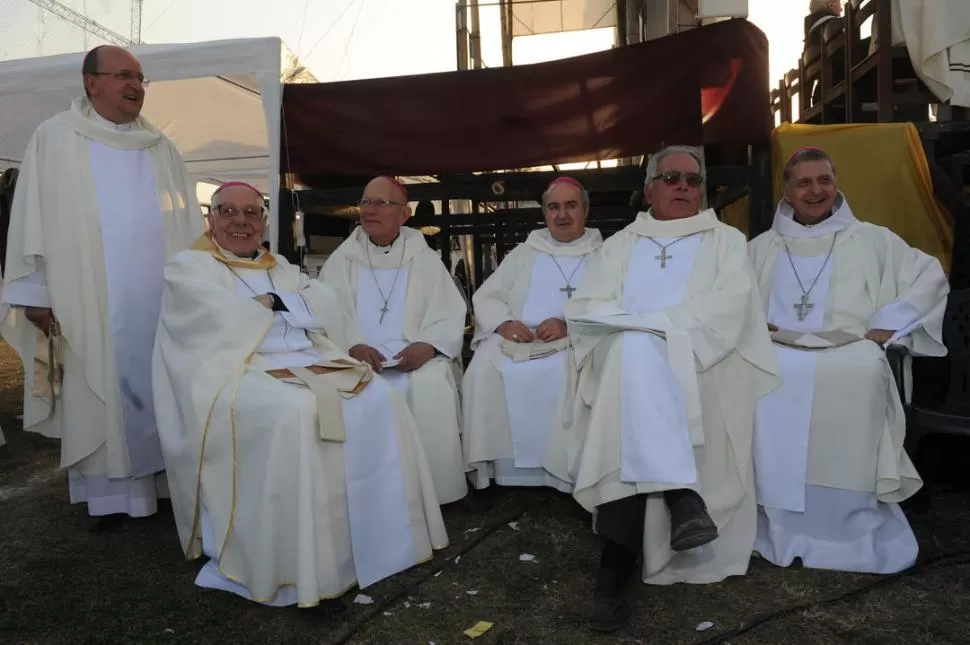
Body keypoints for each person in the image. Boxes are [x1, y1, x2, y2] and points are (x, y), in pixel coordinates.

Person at [153, 182, 448, 613]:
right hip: (237, 371)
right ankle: (298, 562)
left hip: (306, 358)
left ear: (264, 221)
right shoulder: (188, 268)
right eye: (228, 211)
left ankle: (377, 542)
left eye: (251, 213)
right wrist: (283, 308)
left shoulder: (282, 268)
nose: (240, 221)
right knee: (297, 412)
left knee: (378, 397)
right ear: (209, 219)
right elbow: (216, 322)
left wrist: (272, 301)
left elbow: (325, 302)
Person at [564, 146, 779, 631]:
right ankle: (681, 496)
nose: (683, 186)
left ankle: (615, 565)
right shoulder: (619, 246)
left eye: (692, 179)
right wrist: (645, 335)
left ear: (702, 190)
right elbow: (588, 306)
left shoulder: (726, 241)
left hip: (705, 365)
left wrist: (654, 330)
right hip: (629, 365)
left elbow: (732, 310)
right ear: (648, 190)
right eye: (670, 177)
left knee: (634, 356)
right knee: (632, 356)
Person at [1, 45, 203, 526]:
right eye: (123, 76)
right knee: (100, 392)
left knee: (160, 387)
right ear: (90, 82)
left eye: (140, 78)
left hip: (158, 300)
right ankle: (109, 496)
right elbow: (33, 218)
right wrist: (37, 292)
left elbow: (187, 222)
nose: (135, 86)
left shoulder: (160, 145)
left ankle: (162, 481)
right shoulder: (56, 137)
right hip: (87, 296)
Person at [748, 146, 949, 574]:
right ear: (786, 191)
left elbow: (928, 275)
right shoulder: (761, 248)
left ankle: (849, 522)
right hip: (777, 350)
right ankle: (775, 517)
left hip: (851, 348)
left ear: (837, 184)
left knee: (858, 372)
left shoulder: (873, 239)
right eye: (804, 182)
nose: (815, 190)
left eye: (824, 180)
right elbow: (732, 299)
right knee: (764, 377)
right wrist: (751, 324)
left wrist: (888, 322)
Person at [317, 176, 469, 505]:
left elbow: (449, 312)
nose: (371, 210)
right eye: (366, 201)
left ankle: (430, 489)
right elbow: (325, 312)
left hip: (412, 356)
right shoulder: (342, 259)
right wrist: (352, 345)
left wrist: (428, 345)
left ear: (405, 213)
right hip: (356, 357)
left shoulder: (424, 257)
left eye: (382, 203)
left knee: (432, 386)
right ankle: (361, 489)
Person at [463, 177, 603, 492]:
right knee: (481, 373)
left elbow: (615, 302)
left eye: (570, 206)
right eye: (554, 207)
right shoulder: (526, 252)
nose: (562, 215)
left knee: (572, 376)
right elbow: (488, 296)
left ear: (585, 210)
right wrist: (503, 323)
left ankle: (569, 474)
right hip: (519, 337)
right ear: (544, 212)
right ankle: (494, 475)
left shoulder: (604, 255)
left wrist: (570, 324)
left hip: (576, 340)